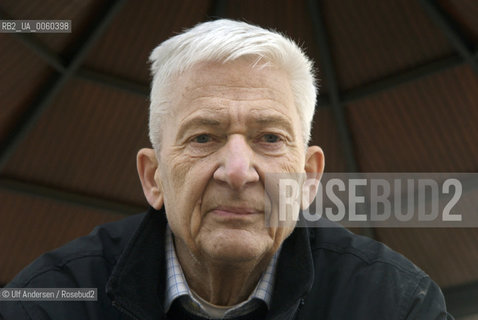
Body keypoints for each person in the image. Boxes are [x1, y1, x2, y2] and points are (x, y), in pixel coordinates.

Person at [0, 19, 452, 320]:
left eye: (270, 138)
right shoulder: (51, 300)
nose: (238, 172)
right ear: (153, 177)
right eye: (203, 137)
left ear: (309, 179)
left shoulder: (393, 302)